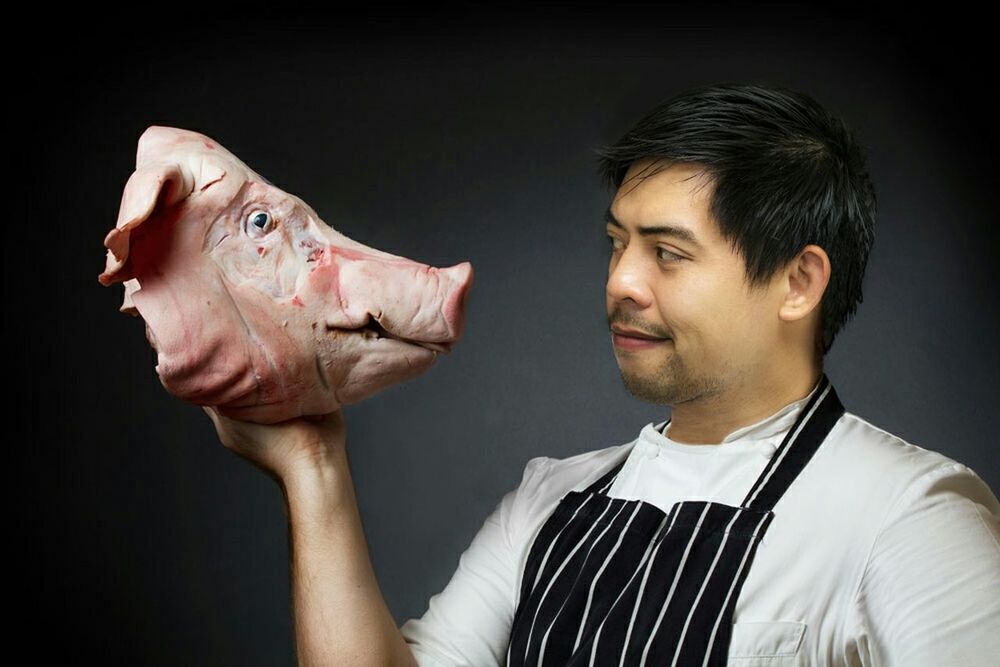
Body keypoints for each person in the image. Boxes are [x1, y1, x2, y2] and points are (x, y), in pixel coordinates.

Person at [202, 82, 1000, 666]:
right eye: (617, 242)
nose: (621, 280)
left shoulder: (910, 516)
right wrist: (313, 464)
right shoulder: (552, 500)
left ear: (799, 281)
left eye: (668, 252)